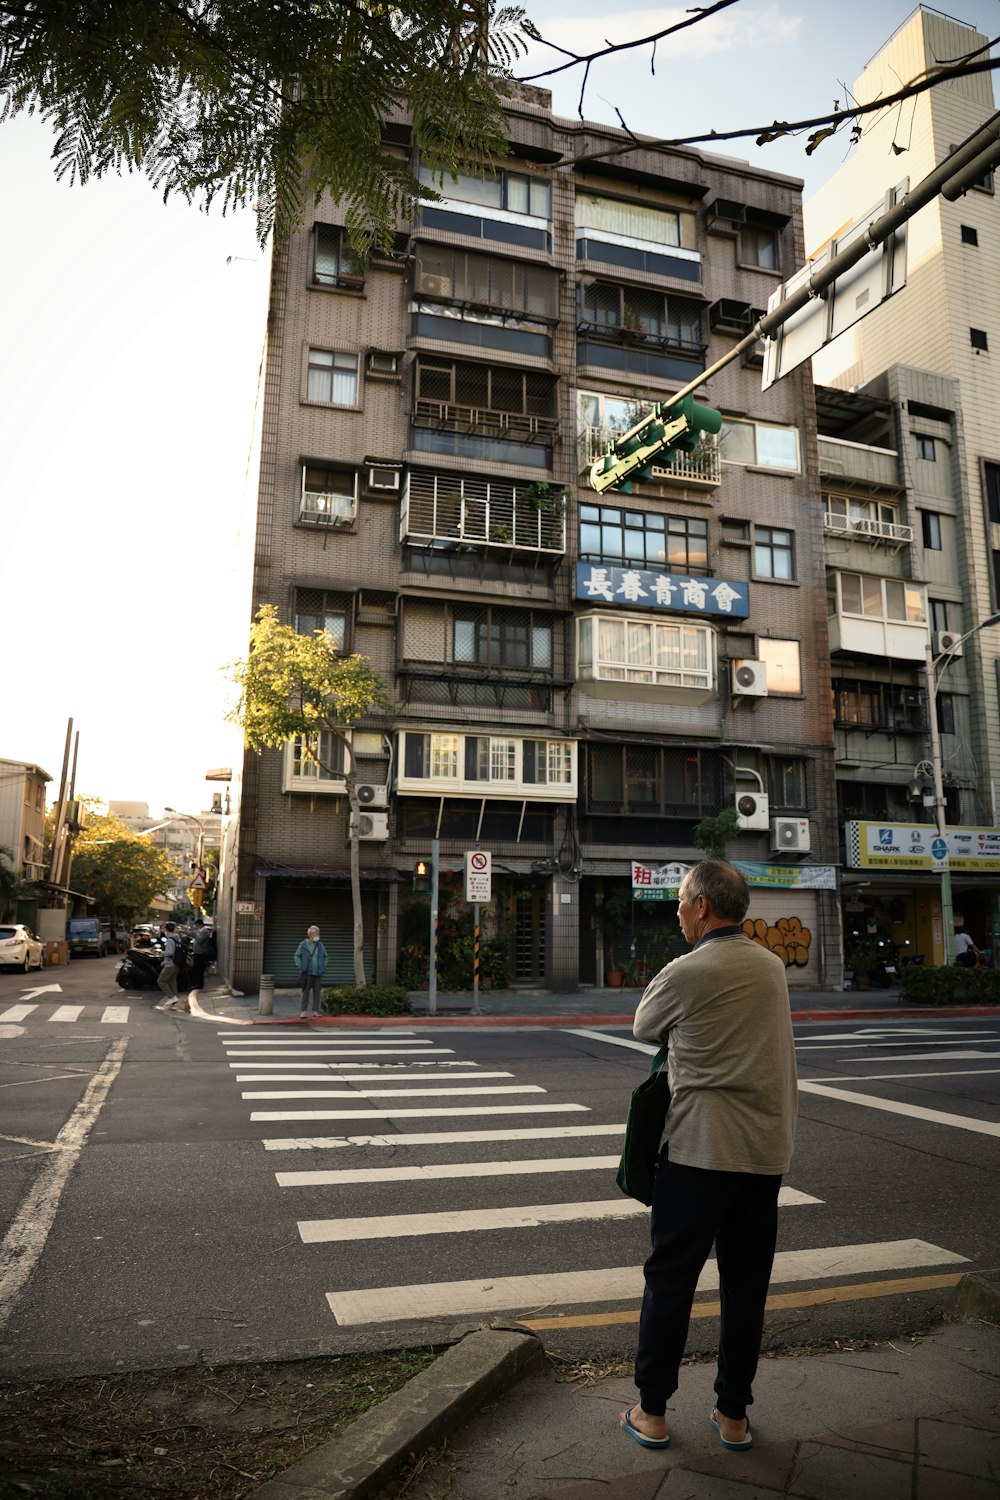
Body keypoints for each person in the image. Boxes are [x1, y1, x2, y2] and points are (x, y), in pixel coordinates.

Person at [619, 859, 798, 1454]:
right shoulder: (772, 966)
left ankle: (651, 1411)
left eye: (680, 900)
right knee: (746, 1286)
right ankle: (733, 1415)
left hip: (698, 1150)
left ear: (700, 906)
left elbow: (645, 1025)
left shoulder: (688, 970)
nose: (676, 909)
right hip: (763, 1155)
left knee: (670, 1279)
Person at [294, 924, 328, 1020]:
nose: (318, 936)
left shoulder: (320, 946)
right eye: (316, 934)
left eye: (318, 934)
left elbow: (326, 956)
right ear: (310, 935)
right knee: (305, 993)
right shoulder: (303, 945)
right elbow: (296, 955)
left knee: (317, 993)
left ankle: (315, 1011)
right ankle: (303, 1012)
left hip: (318, 973)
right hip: (307, 973)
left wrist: (323, 966)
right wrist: (301, 966)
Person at [155, 922, 185, 1011]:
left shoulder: (170, 940)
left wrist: (161, 952)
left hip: (171, 964)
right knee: (172, 981)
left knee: (161, 981)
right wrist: (164, 962)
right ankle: (175, 1000)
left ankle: (171, 997)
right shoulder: (177, 938)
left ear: (166, 929)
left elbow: (170, 953)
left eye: (163, 928)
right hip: (176, 963)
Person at [189, 918, 212, 991]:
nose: (196, 927)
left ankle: (199, 984)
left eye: (196, 925)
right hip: (197, 953)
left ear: (200, 925)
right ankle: (196, 983)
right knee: (196, 969)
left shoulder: (204, 932)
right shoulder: (200, 931)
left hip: (201, 953)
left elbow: (199, 940)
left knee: (199, 969)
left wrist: (195, 934)